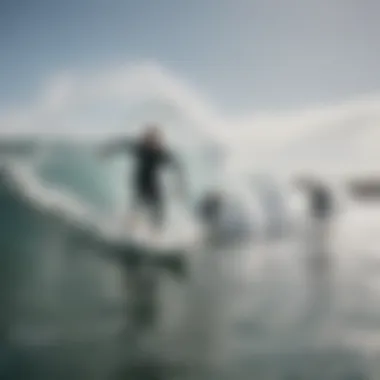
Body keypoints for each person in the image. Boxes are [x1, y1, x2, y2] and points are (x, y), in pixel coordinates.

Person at [98, 124, 185, 236]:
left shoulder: (161, 154)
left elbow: (177, 166)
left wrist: (180, 186)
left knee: (158, 214)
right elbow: (122, 146)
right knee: (136, 209)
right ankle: (128, 231)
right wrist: (106, 152)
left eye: (154, 139)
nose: (151, 141)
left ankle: (155, 236)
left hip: (153, 187)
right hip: (139, 184)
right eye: (149, 138)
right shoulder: (139, 148)